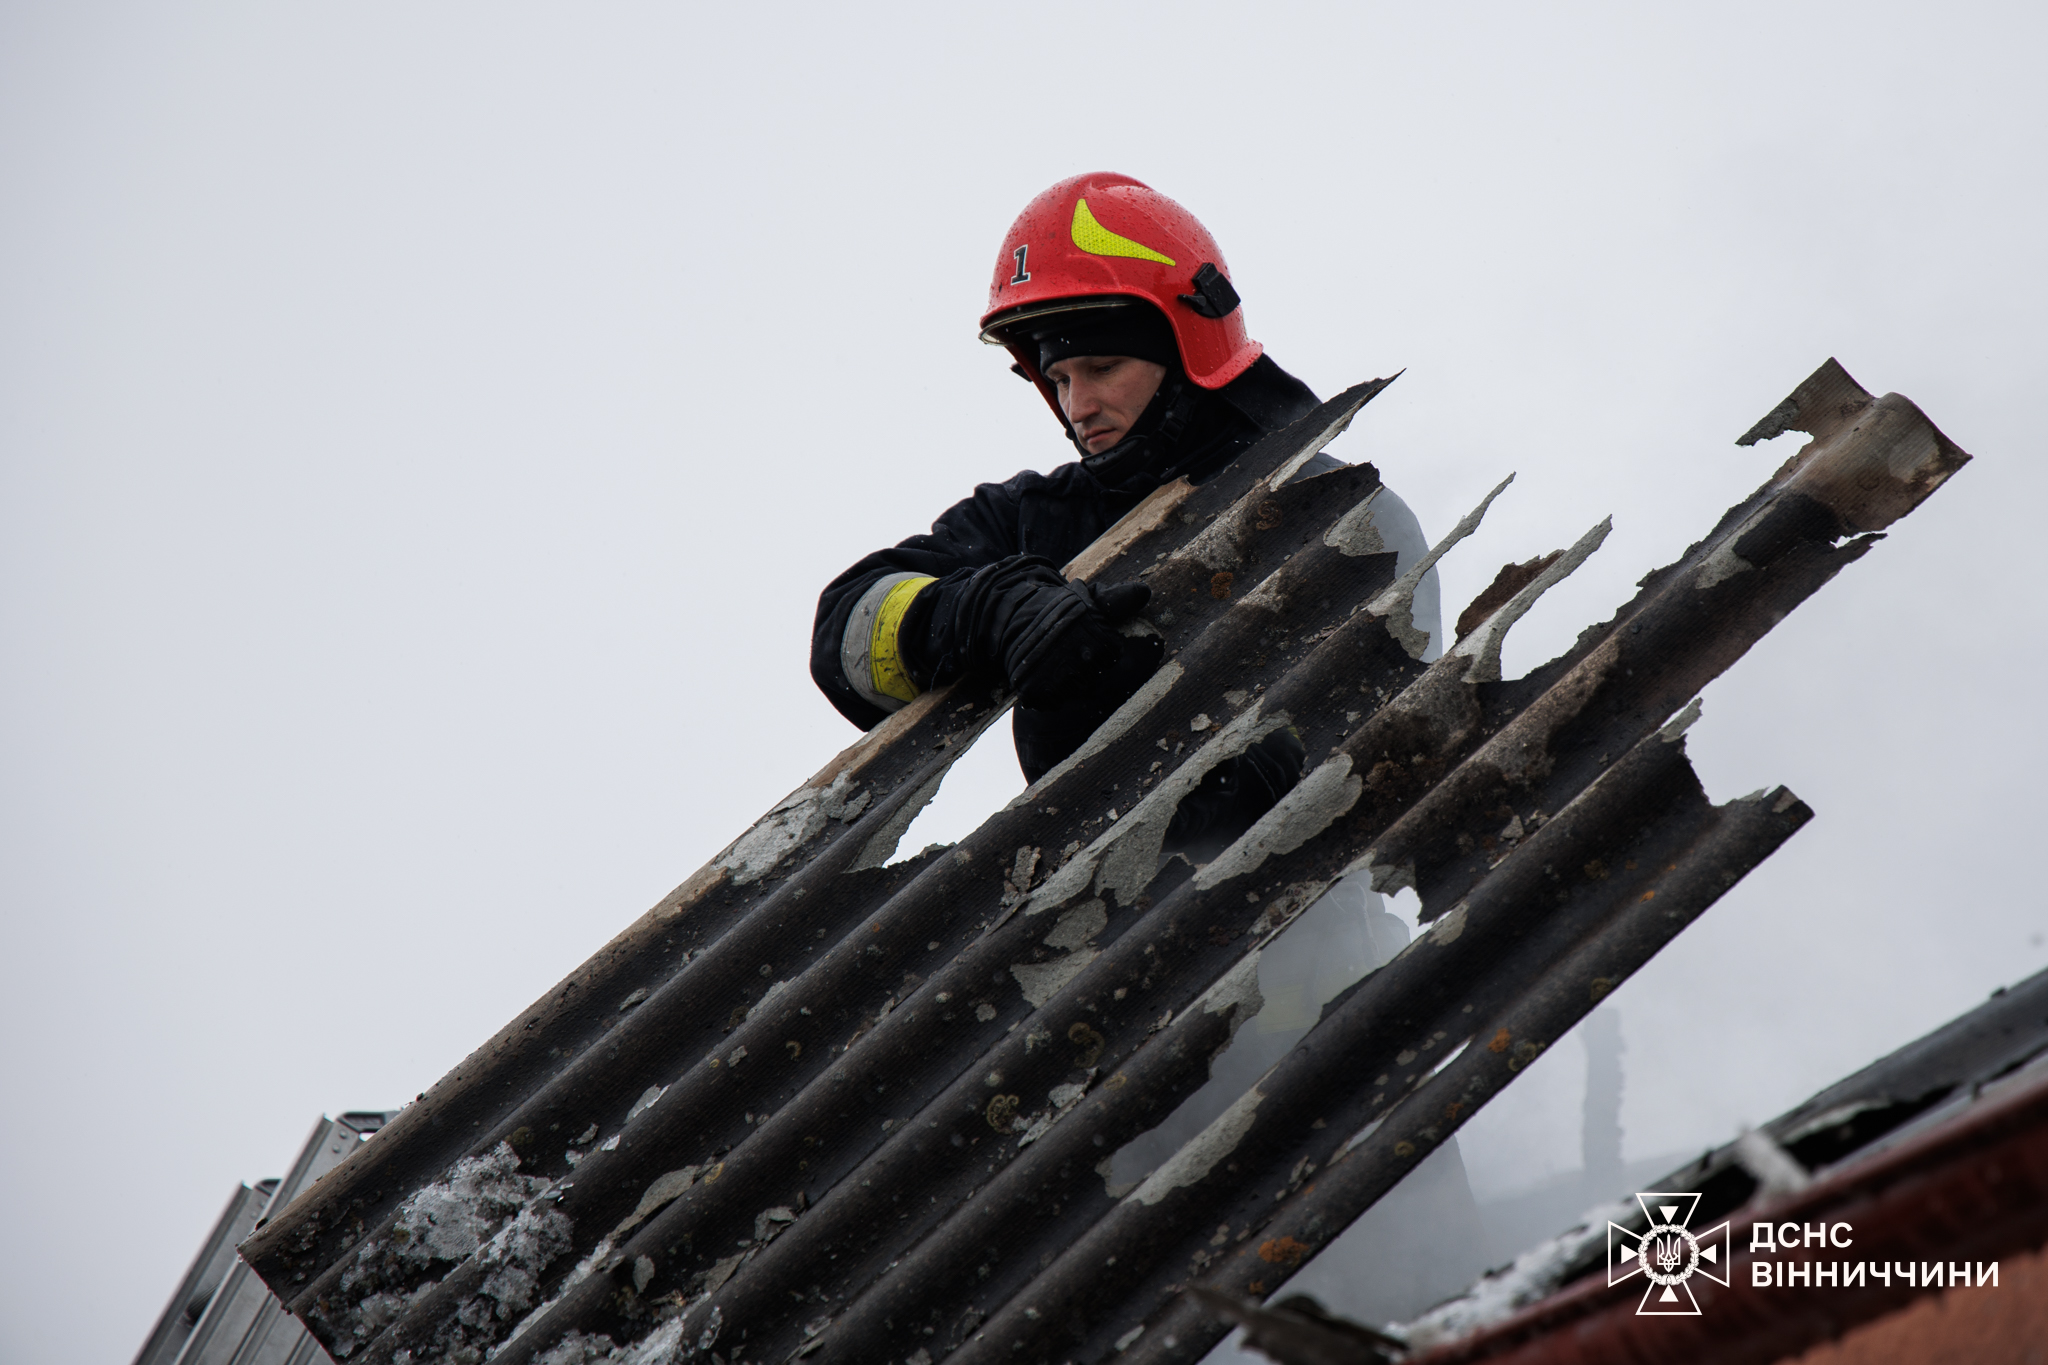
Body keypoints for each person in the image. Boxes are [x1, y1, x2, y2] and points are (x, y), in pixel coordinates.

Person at [809, 171, 1439, 848]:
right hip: (1091, 940)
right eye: (1057, 378)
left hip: (1314, 937)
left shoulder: (1345, 521)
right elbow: (847, 629)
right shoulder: (1042, 518)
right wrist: (978, 613)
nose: (1077, 407)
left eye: (1103, 367)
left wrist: (1133, 706)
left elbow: (1337, 776)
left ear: (1184, 349)